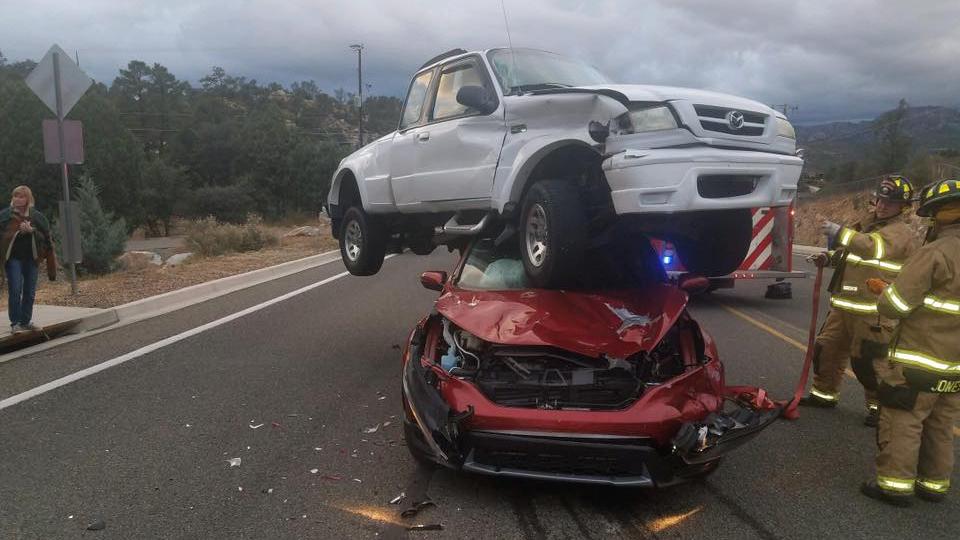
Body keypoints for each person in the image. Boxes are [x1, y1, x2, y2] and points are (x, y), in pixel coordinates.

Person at [860, 178, 960, 506]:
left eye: (930, 217)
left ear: (941, 216)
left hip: (919, 358)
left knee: (904, 418)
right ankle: (934, 484)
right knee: (941, 424)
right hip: (954, 365)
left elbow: (897, 305)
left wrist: (884, 291)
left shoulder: (935, 252)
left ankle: (894, 486)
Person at [801, 176, 920, 427]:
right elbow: (852, 253)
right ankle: (824, 394)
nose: (884, 205)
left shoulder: (900, 232)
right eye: (882, 199)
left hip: (873, 312)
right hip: (844, 305)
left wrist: (839, 232)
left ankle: (879, 409)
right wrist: (830, 257)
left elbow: (870, 248)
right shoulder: (868, 225)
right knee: (826, 350)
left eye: (892, 202)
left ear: (904, 207)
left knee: (870, 362)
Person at [0, 185, 57, 333]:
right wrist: (17, 232)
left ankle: (25, 321)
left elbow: (46, 238)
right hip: (13, 259)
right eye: (15, 196)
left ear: (28, 199)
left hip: (32, 259)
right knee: (15, 289)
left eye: (21, 196)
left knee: (30, 291)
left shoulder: (36, 216)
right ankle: (15, 323)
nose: (17, 199)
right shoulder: (5, 216)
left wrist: (32, 231)